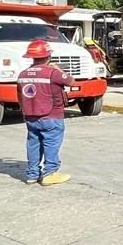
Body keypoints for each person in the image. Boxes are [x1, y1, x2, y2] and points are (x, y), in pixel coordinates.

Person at [18, 39, 74, 186]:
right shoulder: (53, 73)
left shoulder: (23, 74)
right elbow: (71, 82)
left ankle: (32, 175)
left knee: (33, 144)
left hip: (30, 116)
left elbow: (20, 96)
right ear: (48, 56)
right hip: (52, 116)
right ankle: (50, 173)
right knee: (51, 143)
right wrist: (59, 69)